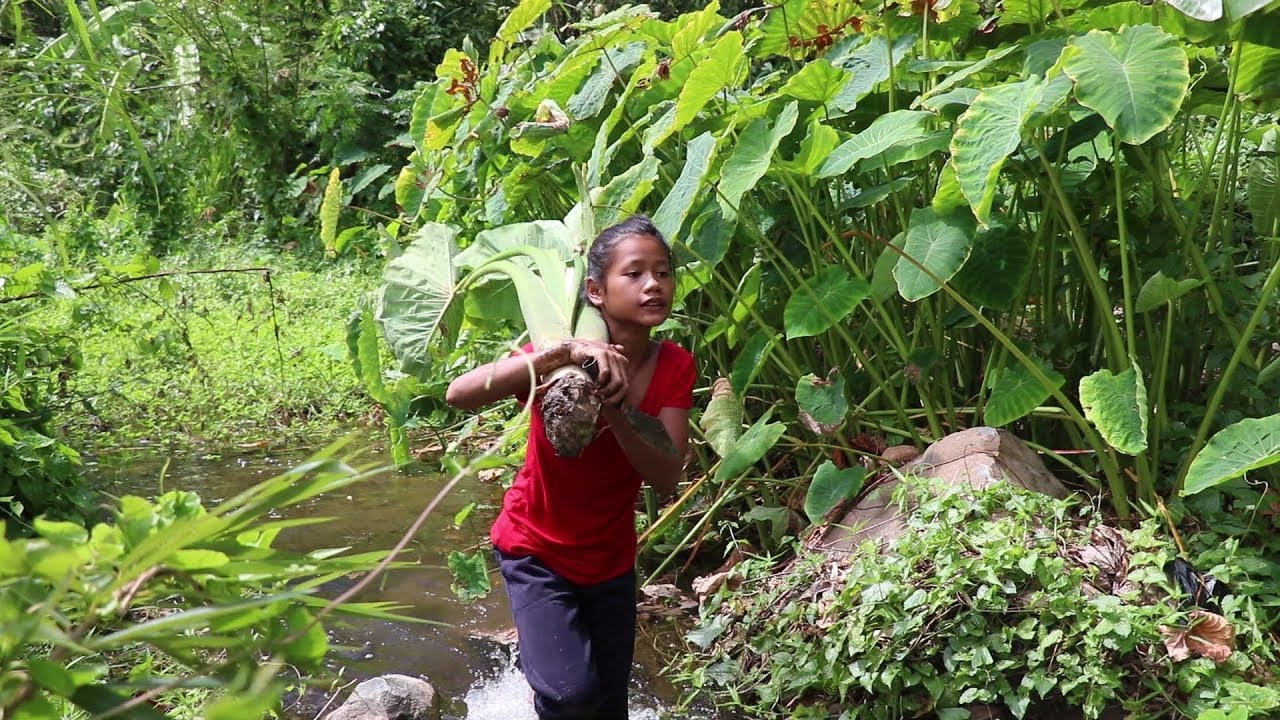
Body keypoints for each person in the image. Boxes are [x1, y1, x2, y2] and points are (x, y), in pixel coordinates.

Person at [445, 214, 696, 720]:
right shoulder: (559, 357)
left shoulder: (673, 365)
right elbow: (458, 394)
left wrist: (615, 408)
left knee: (608, 704)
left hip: (610, 558)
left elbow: (668, 475)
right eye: (635, 273)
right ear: (596, 291)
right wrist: (561, 354)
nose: (654, 285)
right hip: (535, 548)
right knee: (570, 697)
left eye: (663, 272)